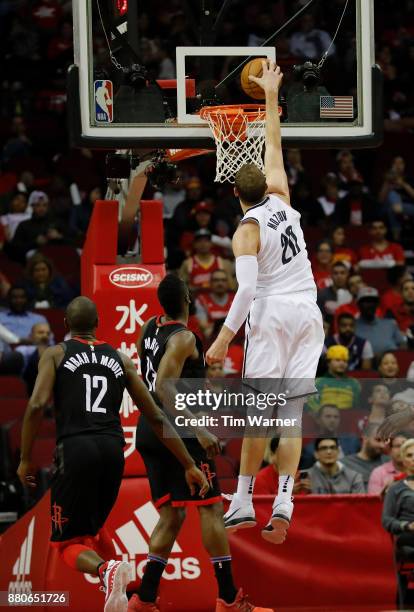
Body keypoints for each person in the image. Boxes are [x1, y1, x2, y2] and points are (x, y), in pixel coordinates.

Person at [17, 296, 208, 612]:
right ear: (97, 325)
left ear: (65, 325)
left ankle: (106, 570)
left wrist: (25, 458)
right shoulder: (121, 358)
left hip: (76, 449)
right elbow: (158, 417)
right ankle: (125, 590)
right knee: (93, 530)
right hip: (112, 450)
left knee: (66, 542)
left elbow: (37, 405)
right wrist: (188, 463)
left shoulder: (55, 353)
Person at [206, 61, 325, 544]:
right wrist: (272, 96)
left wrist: (220, 341)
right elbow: (273, 143)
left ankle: (240, 500)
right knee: (291, 416)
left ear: (234, 191)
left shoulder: (245, 231)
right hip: (309, 312)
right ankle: (284, 501)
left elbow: (248, 291)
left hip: (274, 313)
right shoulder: (282, 196)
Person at [134, 275, 271, 612]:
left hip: (149, 429)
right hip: (178, 430)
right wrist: (199, 429)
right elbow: (164, 387)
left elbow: (151, 375)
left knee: (171, 517)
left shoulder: (149, 326)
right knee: (210, 508)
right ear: (187, 297)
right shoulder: (183, 337)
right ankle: (228, 599)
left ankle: (145, 598)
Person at [382, 439, 414, 557]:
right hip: (408, 535)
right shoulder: (395, 489)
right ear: (403, 460)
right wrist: (407, 525)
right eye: (409, 455)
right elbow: (386, 520)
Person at [307, 345, 361, 414]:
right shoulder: (318, 383)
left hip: (348, 420)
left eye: (345, 361)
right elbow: (313, 406)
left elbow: (356, 408)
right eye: (337, 360)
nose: (342, 363)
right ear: (328, 363)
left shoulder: (354, 383)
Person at [355, 287, 405, 355]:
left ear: (377, 304)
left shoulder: (390, 324)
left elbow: (403, 346)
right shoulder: (352, 327)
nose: (370, 305)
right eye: (366, 301)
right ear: (358, 304)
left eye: (373, 301)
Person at [342, 423, 386, 489]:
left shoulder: (389, 463)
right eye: (378, 440)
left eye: (385, 441)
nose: (382, 445)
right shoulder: (346, 464)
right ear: (365, 438)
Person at [195, 270, 234, 339]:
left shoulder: (235, 299)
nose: (220, 283)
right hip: (211, 341)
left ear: (228, 283)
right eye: (216, 280)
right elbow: (204, 328)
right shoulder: (201, 300)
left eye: (223, 280)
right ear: (210, 283)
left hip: (235, 341)